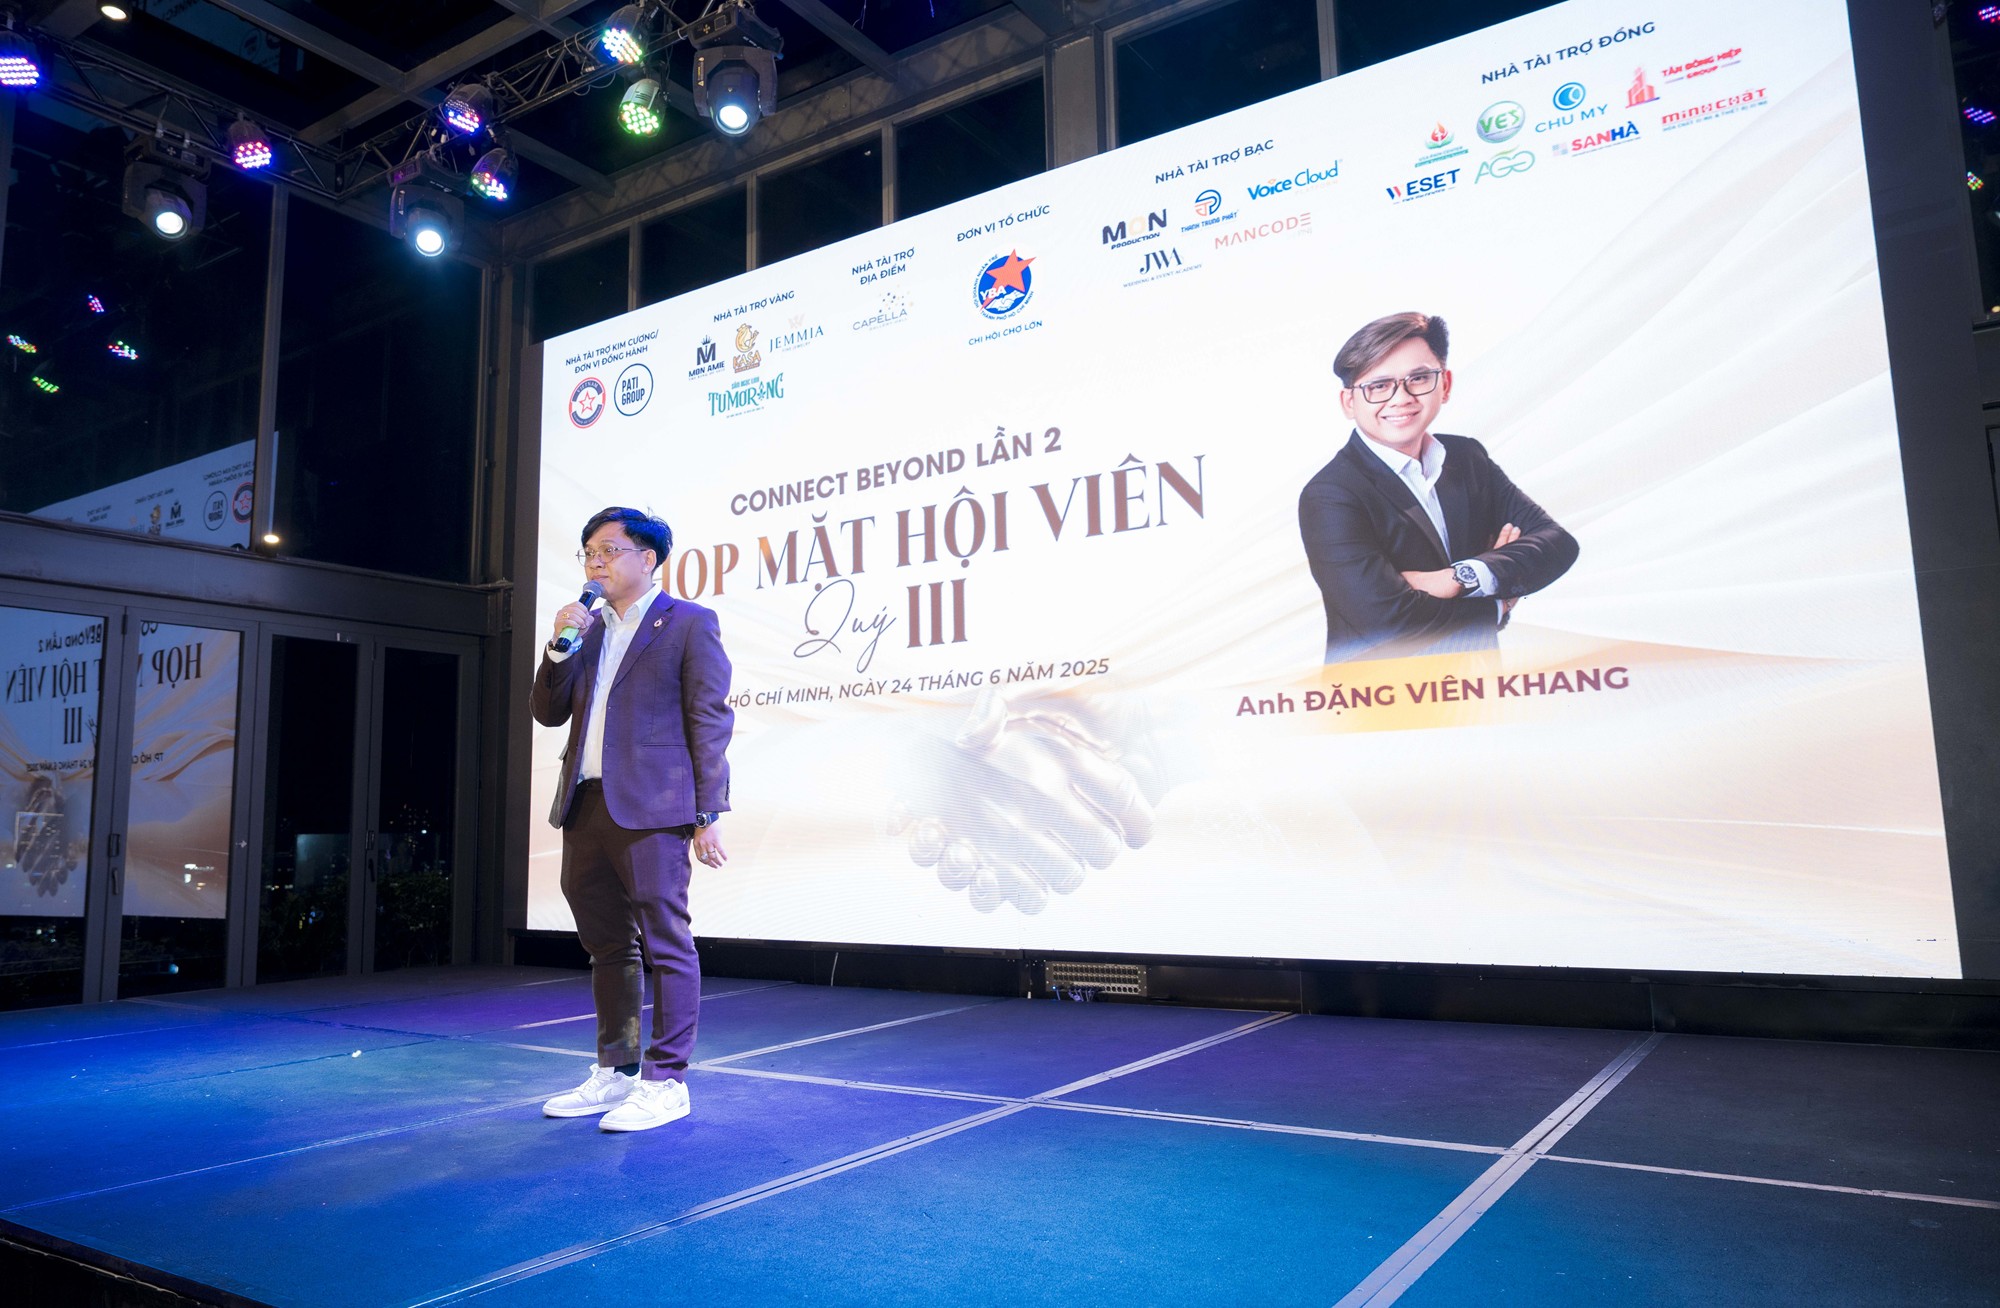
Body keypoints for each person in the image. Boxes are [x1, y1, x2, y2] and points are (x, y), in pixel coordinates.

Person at [530, 506, 735, 1132]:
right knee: (607, 946)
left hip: (654, 807)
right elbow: (547, 711)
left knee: (666, 943)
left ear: (648, 559)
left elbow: (709, 720)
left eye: (608, 550)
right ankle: (616, 1069)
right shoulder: (586, 628)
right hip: (585, 803)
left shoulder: (688, 623)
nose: (595, 563)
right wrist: (558, 647)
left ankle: (667, 1080)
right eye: (589, 552)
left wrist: (708, 811)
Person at [1298, 312, 1578, 662]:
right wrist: (1496, 604)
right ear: (1349, 403)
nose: (1401, 398)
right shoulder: (1330, 494)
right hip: (1381, 692)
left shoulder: (1468, 458)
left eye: (1418, 378)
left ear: (1444, 384)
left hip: (1479, 682)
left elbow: (1558, 544)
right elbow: (1385, 622)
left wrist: (1460, 576)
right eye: (1379, 386)